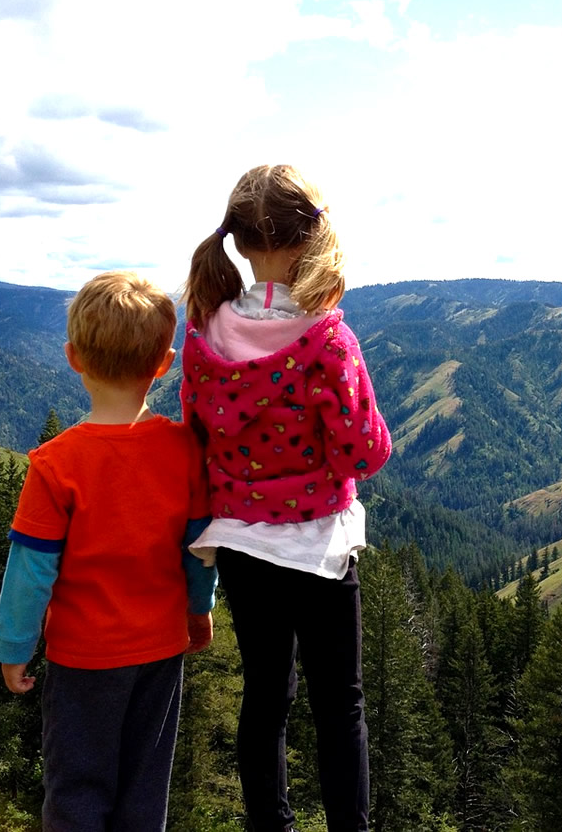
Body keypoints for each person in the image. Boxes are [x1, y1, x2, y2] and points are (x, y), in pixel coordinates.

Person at [181, 164, 392, 832]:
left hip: (241, 545)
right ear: (308, 239)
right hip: (319, 548)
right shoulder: (326, 337)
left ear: (240, 244)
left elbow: (195, 435)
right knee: (341, 707)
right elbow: (364, 451)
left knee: (266, 699)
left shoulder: (206, 334)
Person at [0, 270, 216, 832]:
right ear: (164, 363)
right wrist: (200, 609)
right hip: (161, 650)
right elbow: (199, 548)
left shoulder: (54, 465)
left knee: (77, 792)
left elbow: (31, 569)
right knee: (144, 792)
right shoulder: (183, 450)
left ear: (72, 357)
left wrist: (13, 647)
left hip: (83, 658)